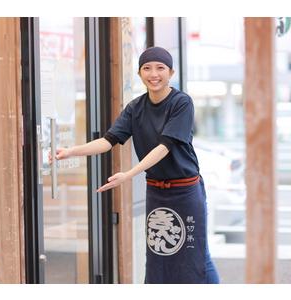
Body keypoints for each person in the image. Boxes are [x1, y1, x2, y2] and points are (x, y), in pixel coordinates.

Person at [53, 46, 220, 284]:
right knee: (159, 255)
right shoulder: (135, 107)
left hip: (185, 191)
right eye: (147, 68)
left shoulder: (182, 103)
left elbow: (165, 147)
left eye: (160, 68)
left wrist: (129, 174)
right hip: (156, 192)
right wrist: (71, 151)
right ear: (140, 73)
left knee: (196, 256)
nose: (154, 74)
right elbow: (108, 140)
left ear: (171, 72)